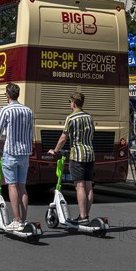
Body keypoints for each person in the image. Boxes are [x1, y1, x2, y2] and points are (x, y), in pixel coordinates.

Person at [0, 83, 33, 231]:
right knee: (22, 187)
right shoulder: (28, 111)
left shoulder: (5, 111)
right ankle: (23, 220)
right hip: (25, 154)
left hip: (11, 153)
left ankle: (16, 220)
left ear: (7, 95)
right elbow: (30, 133)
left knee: (12, 186)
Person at [48, 92, 95, 224]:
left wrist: (55, 150)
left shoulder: (71, 118)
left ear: (73, 103)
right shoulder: (89, 117)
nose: (70, 104)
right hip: (90, 153)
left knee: (79, 185)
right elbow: (92, 135)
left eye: (70, 102)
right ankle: (86, 215)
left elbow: (64, 137)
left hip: (77, 154)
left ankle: (82, 216)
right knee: (88, 185)